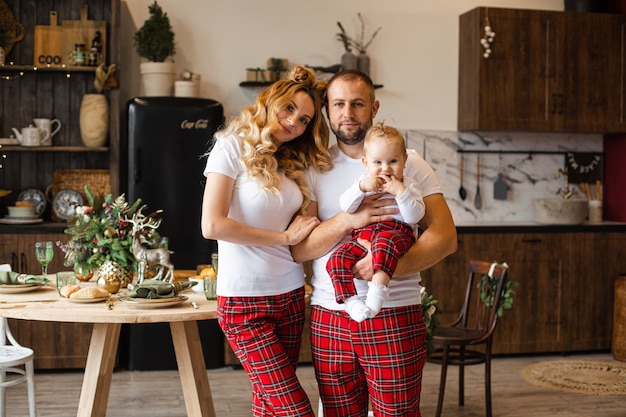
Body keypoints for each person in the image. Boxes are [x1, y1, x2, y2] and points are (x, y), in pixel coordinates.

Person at [291, 70, 457, 417]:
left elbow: (445, 238)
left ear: (374, 108)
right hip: (331, 313)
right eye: (338, 104)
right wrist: (350, 219)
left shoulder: (410, 164)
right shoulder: (314, 167)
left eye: (357, 104)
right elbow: (301, 249)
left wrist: (384, 267)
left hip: (396, 312)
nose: (347, 113)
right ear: (327, 109)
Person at [201, 65, 331, 417]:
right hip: (244, 305)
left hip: (289, 297)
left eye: (305, 119)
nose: (294, 122)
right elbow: (212, 225)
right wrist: (283, 237)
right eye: (289, 108)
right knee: (296, 409)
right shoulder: (230, 146)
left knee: (269, 405)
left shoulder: (292, 161)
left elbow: (309, 220)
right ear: (271, 100)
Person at [326, 122, 425, 322]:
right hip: (363, 236)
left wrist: (400, 192)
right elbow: (346, 206)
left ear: (405, 160)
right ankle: (351, 301)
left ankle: (377, 293)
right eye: (377, 162)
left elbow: (415, 217)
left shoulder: (409, 185)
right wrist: (361, 188)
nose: (385, 169)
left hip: (396, 234)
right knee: (337, 258)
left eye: (393, 161)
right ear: (366, 163)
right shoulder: (363, 181)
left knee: (383, 244)